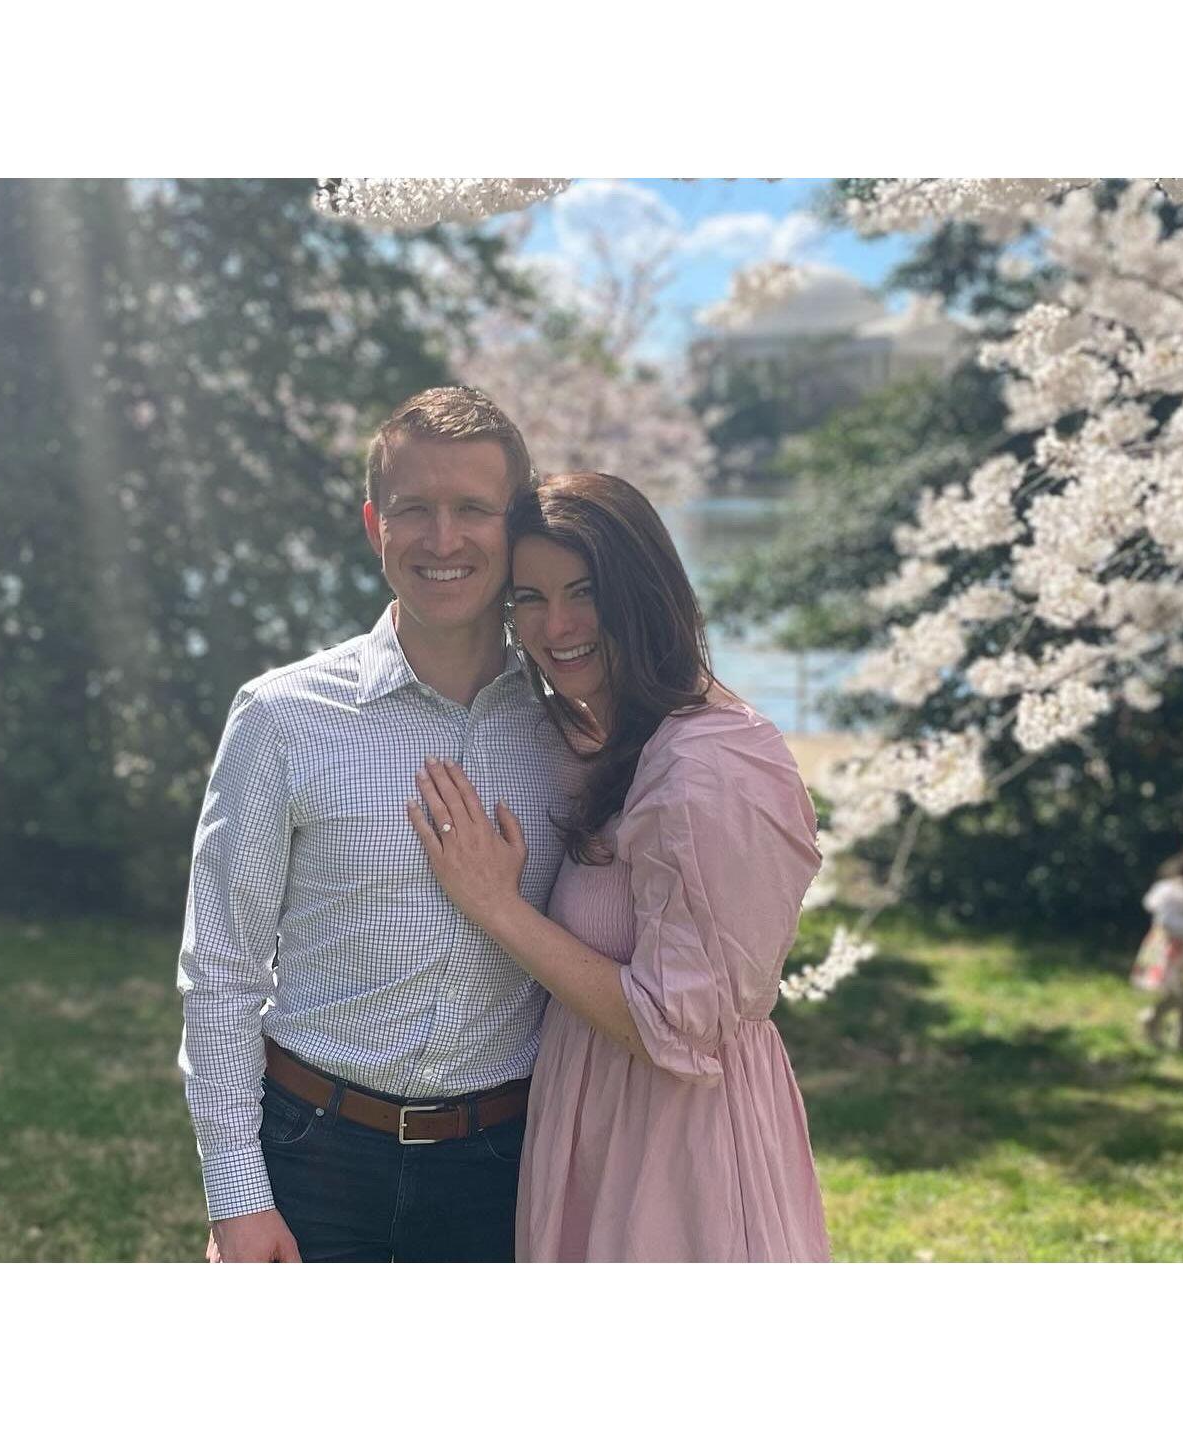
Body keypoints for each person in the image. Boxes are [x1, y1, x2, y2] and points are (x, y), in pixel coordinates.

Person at [176, 387, 579, 1262]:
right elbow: (221, 971)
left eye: (473, 509)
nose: (443, 540)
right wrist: (236, 1196)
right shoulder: (280, 718)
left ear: (514, 526)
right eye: (414, 510)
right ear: (374, 526)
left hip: (507, 1165)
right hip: (312, 1155)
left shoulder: (570, 731)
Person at [408, 471, 831, 1261]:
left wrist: (497, 908)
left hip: (676, 1146)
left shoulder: (711, 768)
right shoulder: (604, 739)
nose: (555, 625)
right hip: (595, 1119)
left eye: (583, 591)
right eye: (527, 598)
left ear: (643, 592)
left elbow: (678, 1023)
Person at [1132, 833, 1183, 1051]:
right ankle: (1152, 1018)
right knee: (1177, 994)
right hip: (1176, 953)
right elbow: (1165, 920)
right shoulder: (1173, 891)